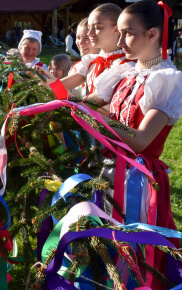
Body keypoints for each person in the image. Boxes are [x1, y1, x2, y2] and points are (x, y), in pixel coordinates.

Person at [88, 2, 182, 287]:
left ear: (152, 35)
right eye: (119, 33)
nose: (119, 42)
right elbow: (85, 103)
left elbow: (140, 140)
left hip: (138, 181)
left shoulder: (167, 80)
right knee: (107, 245)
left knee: (140, 251)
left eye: (128, 33)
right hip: (106, 172)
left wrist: (95, 117)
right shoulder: (122, 72)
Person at [44, 4, 135, 101]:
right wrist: (35, 79)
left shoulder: (124, 67)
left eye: (97, 28)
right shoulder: (92, 61)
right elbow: (58, 86)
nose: (90, 33)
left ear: (116, 29)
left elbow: (91, 105)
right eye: (89, 27)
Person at [68, 18, 100, 97]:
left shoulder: (103, 67)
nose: (80, 43)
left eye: (86, 38)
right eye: (78, 38)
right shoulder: (76, 67)